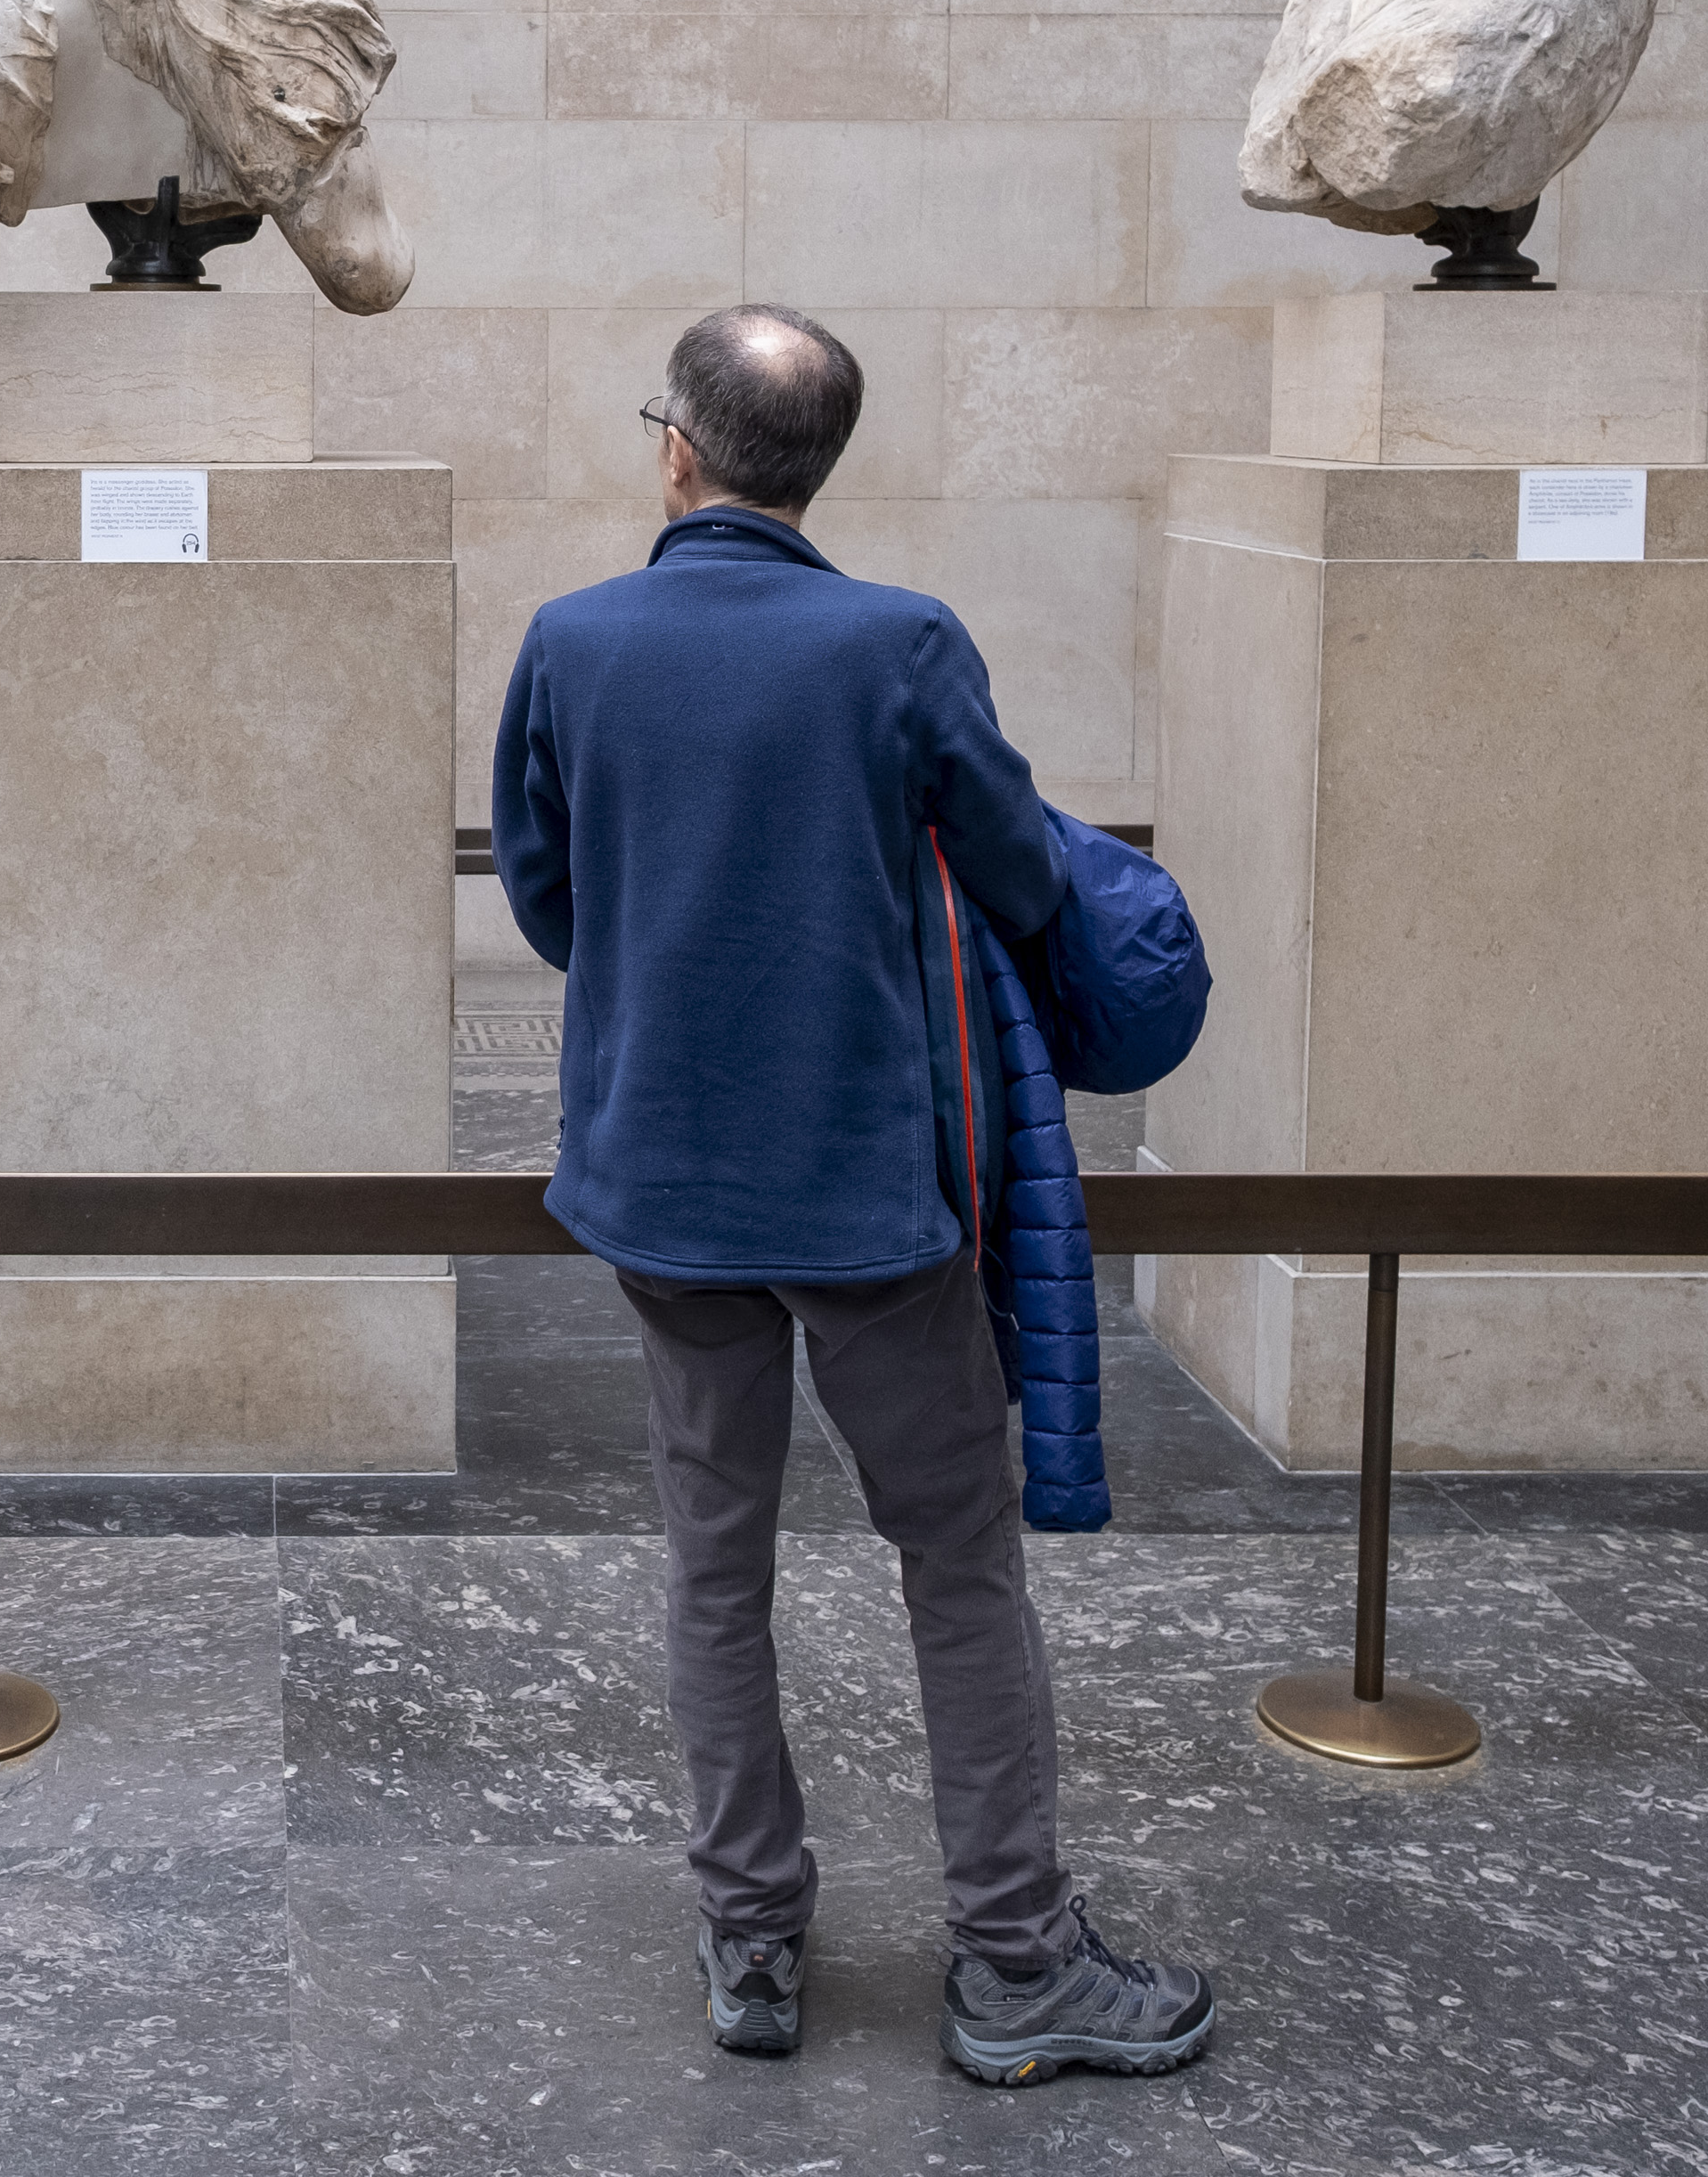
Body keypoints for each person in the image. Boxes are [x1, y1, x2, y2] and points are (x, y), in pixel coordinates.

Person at [488, 305, 1216, 2087]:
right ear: (817, 467)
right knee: (957, 1569)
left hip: (661, 1178)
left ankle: (750, 1940)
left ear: (678, 448)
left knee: (711, 1565)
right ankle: (1018, 1961)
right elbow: (1029, 873)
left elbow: (545, 889)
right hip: (873, 1191)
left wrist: (673, 977)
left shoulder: (573, 643)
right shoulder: (900, 643)